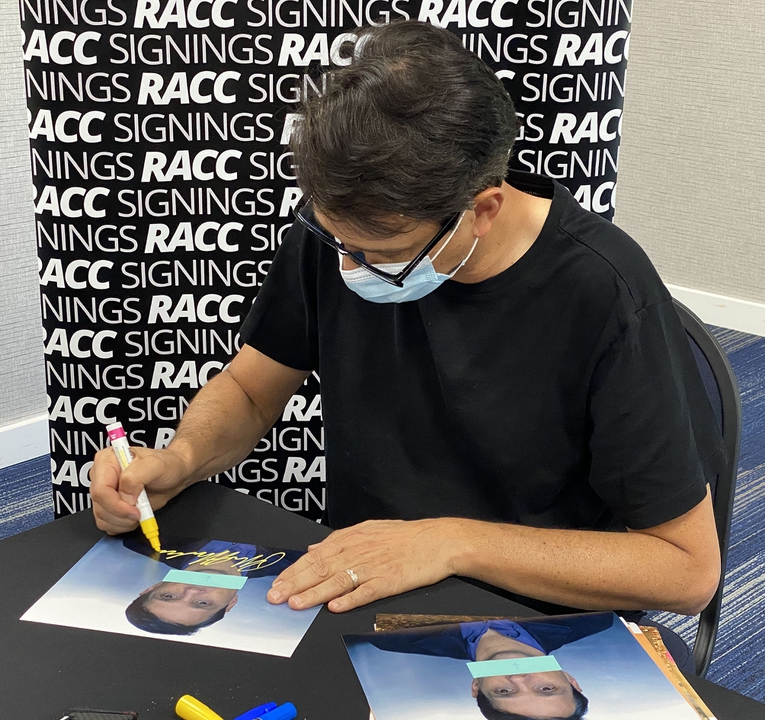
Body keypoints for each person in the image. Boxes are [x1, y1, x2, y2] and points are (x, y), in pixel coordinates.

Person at [90, 19, 724, 659]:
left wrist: (450, 541)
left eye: (381, 253)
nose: (349, 267)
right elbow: (253, 391)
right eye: (335, 239)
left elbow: (686, 572)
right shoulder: (342, 229)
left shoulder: (604, 294)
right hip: (365, 589)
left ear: (483, 209)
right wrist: (180, 458)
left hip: (532, 621)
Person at [362, 614, 613, 719]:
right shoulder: (598, 619)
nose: (519, 677)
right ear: (570, 680)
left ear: (476, 686)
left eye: (505, 692)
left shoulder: (389, 638)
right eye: (546, 688)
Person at [122, 537, 301, 635]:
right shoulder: (298, 563)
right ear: (231, 604)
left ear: (153, 587)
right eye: (202, 603)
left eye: (169, 596)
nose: (192, 591)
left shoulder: (140, 539)